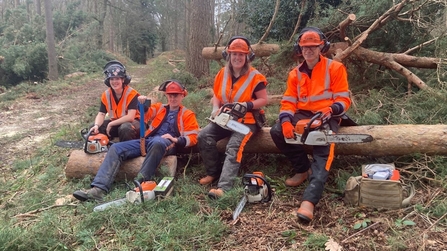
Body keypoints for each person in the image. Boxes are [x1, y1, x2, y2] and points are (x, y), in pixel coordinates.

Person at [269, 27, 351, 222]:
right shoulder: (295, 74)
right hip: (304, 113)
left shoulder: (335, 68)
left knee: (323, 150)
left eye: (313, 47)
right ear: (300, 48)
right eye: (306, 47)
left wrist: (331, 110)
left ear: (321, 47)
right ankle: (302, 168)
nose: (309, 50)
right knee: (277, 132)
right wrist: (286, 121)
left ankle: (310, 201)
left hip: (328, 114)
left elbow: (343, 99)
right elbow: (288, 101)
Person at [73, 80, 199, 202]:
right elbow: (145, 113)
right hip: (148, 140)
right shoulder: (160, 108)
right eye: (170, 95)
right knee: (116, 148)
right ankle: (98, 189)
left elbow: (193, 137)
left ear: (182, 95)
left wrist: (176, 139)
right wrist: (142, 103)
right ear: (166, 95)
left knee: (158, 142)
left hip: (168, 143)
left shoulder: (187, 114)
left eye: (176, 95)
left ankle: (140, 184)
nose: (172, 98)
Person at [198, 36, 268, 199]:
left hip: (246, 122)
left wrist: (247, 105)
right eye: (234, 54)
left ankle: (224, 187)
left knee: (233, 146)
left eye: (241, 55)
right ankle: (213, 172)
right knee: (204, 136)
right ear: (228, 55)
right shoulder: (223, 73)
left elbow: (264, 99)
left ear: (247, 57)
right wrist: (215, 108)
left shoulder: (254, 76)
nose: (237, 58)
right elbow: (217, 94)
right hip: (225, 119)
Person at [89, 60, 140, 142]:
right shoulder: (106, 95)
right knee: (94, 127)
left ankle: (126, 149)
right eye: (112, 79)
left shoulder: (131, 94)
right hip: (117, 123)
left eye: (117, 79)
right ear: (108, 81)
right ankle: (104, 145)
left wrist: (111, 124)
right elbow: (101, 113)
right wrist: (96, 125)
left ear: (123, 80)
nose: (114, 82)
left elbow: (130, 117)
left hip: (134, 123)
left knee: (125, 128)